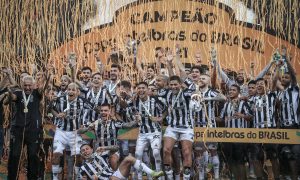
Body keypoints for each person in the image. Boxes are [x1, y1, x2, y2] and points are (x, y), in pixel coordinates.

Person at [5, 75, 44, 180]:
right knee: (15, 156)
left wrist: (48, 76)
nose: (27, 88)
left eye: (29, 85)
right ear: (22, 85)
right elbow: (13, 98)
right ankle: (12, 178)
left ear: (33, 85)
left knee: (32, 156)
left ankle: (32, 178)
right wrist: (9, 93)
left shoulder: (36, 93)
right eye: (25, 85)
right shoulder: (18, 93)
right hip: (18, 130)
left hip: (33, 131)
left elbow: (42, 89)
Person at [51, 83, 93, 180]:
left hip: (75, 132)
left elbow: (95, 108)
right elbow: (51, 109)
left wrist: (90, 124)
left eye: (73, 90)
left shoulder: (82, 101)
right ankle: (54, 177)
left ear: (78, 92)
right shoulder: (60, 99)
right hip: (61, 131)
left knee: (78, 155)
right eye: (69, 89)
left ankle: (77, 176)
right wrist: (57, 115)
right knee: (56, 154)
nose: (70, 91)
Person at [190, 74, 226, 180]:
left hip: (210, 126)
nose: (200, 80)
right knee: (199, 152)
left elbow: (223, 98)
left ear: (208, 81)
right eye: (200, 78)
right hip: (197, 126)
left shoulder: (211, 91)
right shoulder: (194, 92)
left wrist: (207, 98)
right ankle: (201, 176)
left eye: (203, 78)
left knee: (213, 150)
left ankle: (217, 176)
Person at [131, 82, 166, 180]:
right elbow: (125, 106)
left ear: (147, 90)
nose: (141, 90)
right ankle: (139, 177)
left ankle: (160, 175)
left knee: (155, 152)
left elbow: (166, 110)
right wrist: (135, 117)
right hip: (142, 133)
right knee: (138, 154)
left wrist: (159, 118)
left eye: (143, 88)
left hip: (155, 131)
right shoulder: (135, 101)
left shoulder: (155, 100)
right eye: (139, 88)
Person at [220, 84, 252, 179]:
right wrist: (209, 117)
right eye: (230, 90)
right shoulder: (226, 104)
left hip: (240, 137)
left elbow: (250, 116)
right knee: (230, 160)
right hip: (229, 137)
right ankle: (235, 177)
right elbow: (221, 119)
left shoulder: (243, 103)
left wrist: (242, 116)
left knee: (240, 160)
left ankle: (242, 178)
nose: (231, 91)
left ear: (238, 92)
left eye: (233, 90)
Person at [79, 144, 164, 180]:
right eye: (83, 151)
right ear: (81, 154)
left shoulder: (99, 154)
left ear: (91, 149)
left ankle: (152, 173)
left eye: (87, 149)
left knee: (129, 158)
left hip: (115, 175)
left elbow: (116, 148)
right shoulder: (82, 168)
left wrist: (105, 148)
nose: (86, 151)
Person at [277, 57, 300, 179]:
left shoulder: (295, 89)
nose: (284, 78)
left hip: (294, 127)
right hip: (283, 127)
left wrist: (286, 59)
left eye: (286, 77)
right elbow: (275, 80)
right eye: (283, 77)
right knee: (285, 153)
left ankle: (295, 177)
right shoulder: (281, 92)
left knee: (295, 154)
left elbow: (293, 74)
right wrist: (277, 66)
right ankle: (289, 176)